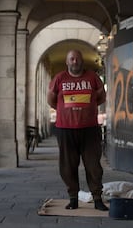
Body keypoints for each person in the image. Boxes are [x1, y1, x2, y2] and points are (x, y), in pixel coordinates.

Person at [47, 49, 109, 211]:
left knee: (93, 165)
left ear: (82, 61)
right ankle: (73, 198)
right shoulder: (59, 78)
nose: (75, 61)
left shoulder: (92, 78)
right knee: (68, 165)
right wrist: (65, 111)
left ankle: (97, 198)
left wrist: (86, 109)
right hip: (65, 129)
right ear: (67, 62)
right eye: (72, 59)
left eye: (77, 59)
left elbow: (101, 97)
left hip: (89, 129)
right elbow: (51, 100)